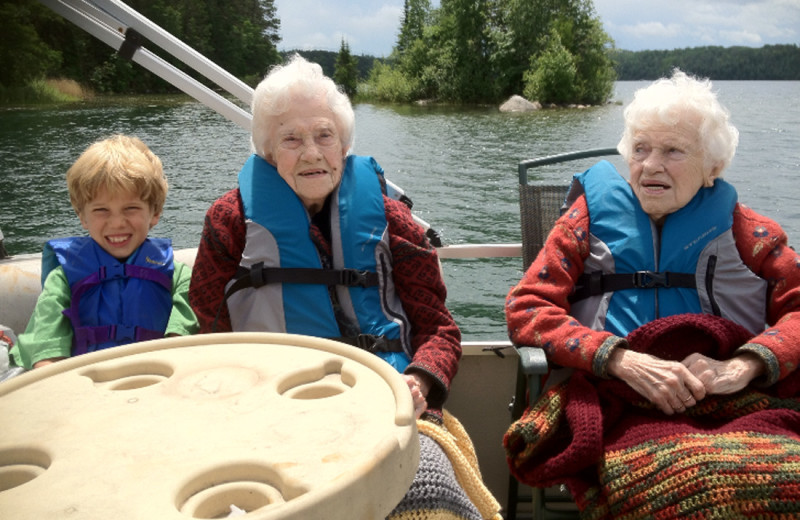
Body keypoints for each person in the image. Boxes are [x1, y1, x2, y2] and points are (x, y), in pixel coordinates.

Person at [189, 55, 501, 519]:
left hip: (387, 411)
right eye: (291, 139)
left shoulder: (394, 221)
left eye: (324, 135)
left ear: (343, 145)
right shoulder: (230, 222)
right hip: (269, 415)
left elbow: (439, 329)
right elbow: (211, 334)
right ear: (268, 153)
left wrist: (418, 381)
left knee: (427, 502)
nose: (312, 152)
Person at [504, 70, 800, 517]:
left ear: (712, 167)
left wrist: (743, 365)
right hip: (619, 401)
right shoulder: (583, 223)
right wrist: (618, 358)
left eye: (673, 151)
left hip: (729, 403)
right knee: (687, 486)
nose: (651, 165)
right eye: (640, 149)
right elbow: (527, 307)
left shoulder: (747, 231)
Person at [10, 135, 199, 370]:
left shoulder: (178, 278)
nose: (117, 223)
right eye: (101, 210)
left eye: (131, 208)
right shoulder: (63, 280)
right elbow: (46, 354)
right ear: (82, 216)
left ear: (155, 213)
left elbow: (182, 345)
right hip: (84, 386)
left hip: (153, 383)